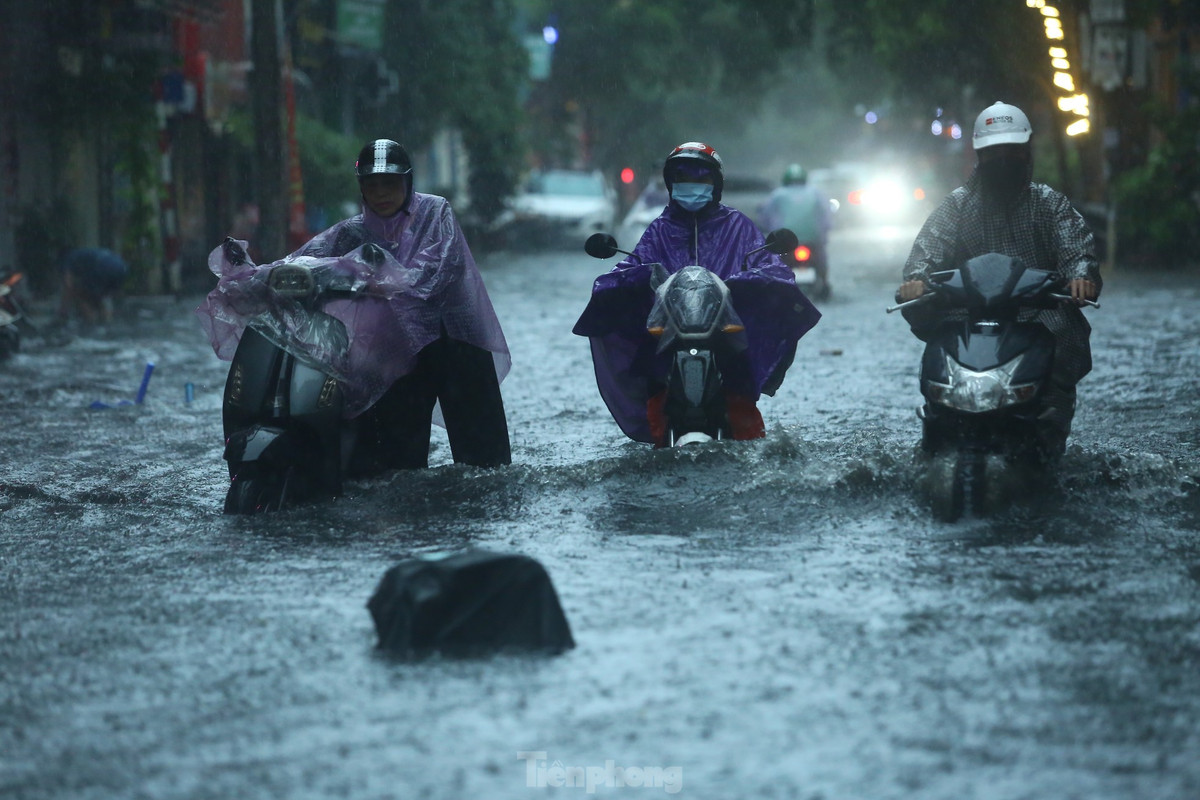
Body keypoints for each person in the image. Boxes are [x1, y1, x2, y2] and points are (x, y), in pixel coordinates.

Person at [198, 138, 511, 471]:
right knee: (388, 470)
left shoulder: (436, 213)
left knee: (486, 465)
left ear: (408, 182)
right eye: (372, 185)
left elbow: (435, 271)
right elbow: (301, 261)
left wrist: (377, 278)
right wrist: (251, 278)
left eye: (390, 184)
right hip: (394, 354)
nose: (382, 193)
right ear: (362, 189)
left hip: (453, 344)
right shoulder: (351, 232)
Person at [573, 141, 821, 446]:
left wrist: (755, 279)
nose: (691, 186)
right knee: (653, 385)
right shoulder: (660, 230)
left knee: (741, 400)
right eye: (683, 178)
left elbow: (768, 265)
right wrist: (621, 281)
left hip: (725, 333)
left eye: (700, 179)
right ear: (670, 183)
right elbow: (634, 264)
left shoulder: (738, 226)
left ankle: (749, 446)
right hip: (669, 332)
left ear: (715, 185)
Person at [897, 101, 1101, 454]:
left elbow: (1076, 248)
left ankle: (1047, 445)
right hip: (967, 321)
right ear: (980, 155)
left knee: (1057, 380)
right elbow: (927, 251)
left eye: (1012, 150)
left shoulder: (1048, 204)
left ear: (1027, 152)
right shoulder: (957, 206)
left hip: (1041, 320)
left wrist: (1080, 277)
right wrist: (916, 280)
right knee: (935, 376)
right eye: (995, 152)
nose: (1004, 159)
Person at [759, 163, 833, 296]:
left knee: (778, 263)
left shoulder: (777, 194)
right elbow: (826, 215)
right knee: (821, 258)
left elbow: (766, 215)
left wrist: (768, 230)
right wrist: (824, 234)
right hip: (813, 237)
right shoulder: (816, 193)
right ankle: (824, 283)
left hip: (786, 239)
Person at [58, 247, 129, 324]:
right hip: (122, 267)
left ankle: (91, 322)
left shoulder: (68, 259)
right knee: (104, 296)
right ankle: (107, 322)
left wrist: (63, 310)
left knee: (79, 293)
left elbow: (68, 285)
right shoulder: (84, 254)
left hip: (102, 266)